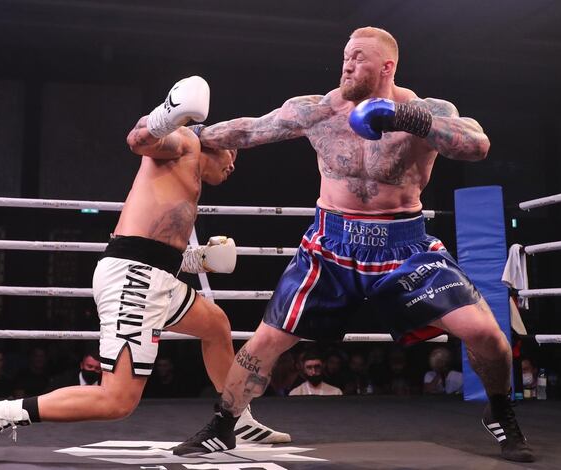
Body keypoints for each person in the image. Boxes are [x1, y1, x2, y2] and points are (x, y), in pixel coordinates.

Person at [173, 27, 533, 462]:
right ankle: (223, 424)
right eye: (345, 56)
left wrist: (408, 120)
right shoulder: (318, 111)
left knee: (487, 336)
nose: (347, 64)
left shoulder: (425, 111)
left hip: (405, 245)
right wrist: (172, 131)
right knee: (267, 341)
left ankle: (499, 411)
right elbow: (249, 131)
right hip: (330, 244)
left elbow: (477, 145)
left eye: (359, 57)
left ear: (387, 67)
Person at [0, 76, 288, 466]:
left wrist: (194, 260)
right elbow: (138, 140)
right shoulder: (185, 142)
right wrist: (172, 115)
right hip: (135, 278)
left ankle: (236, 418)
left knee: (215, 324)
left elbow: (154, 243)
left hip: (154, 276)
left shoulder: (187, 179)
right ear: (213, 144)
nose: (234, 163)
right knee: (116, 400)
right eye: (233, 152)